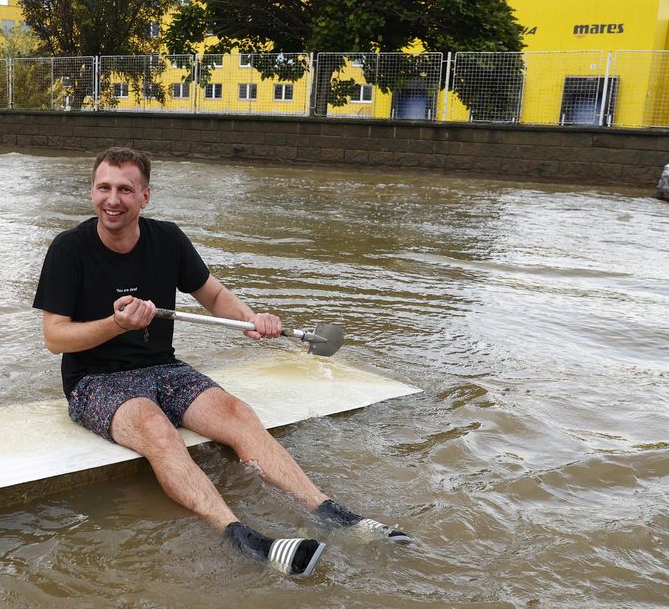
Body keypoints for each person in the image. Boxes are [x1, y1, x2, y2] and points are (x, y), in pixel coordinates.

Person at [33, 147, 410, 577]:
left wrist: (251, 320)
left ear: (145, 196)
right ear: (92, 191)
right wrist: (116, 325)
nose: (113, 200)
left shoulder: (168, 239)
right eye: (104, 188)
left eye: (125, 189)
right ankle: (238, 534)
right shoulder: (68, 249)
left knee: (238, 413)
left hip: (164, 368)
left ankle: (327, 511)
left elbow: (212, 295)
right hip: (94, 381)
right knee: (156, 428)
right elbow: (55, 337)